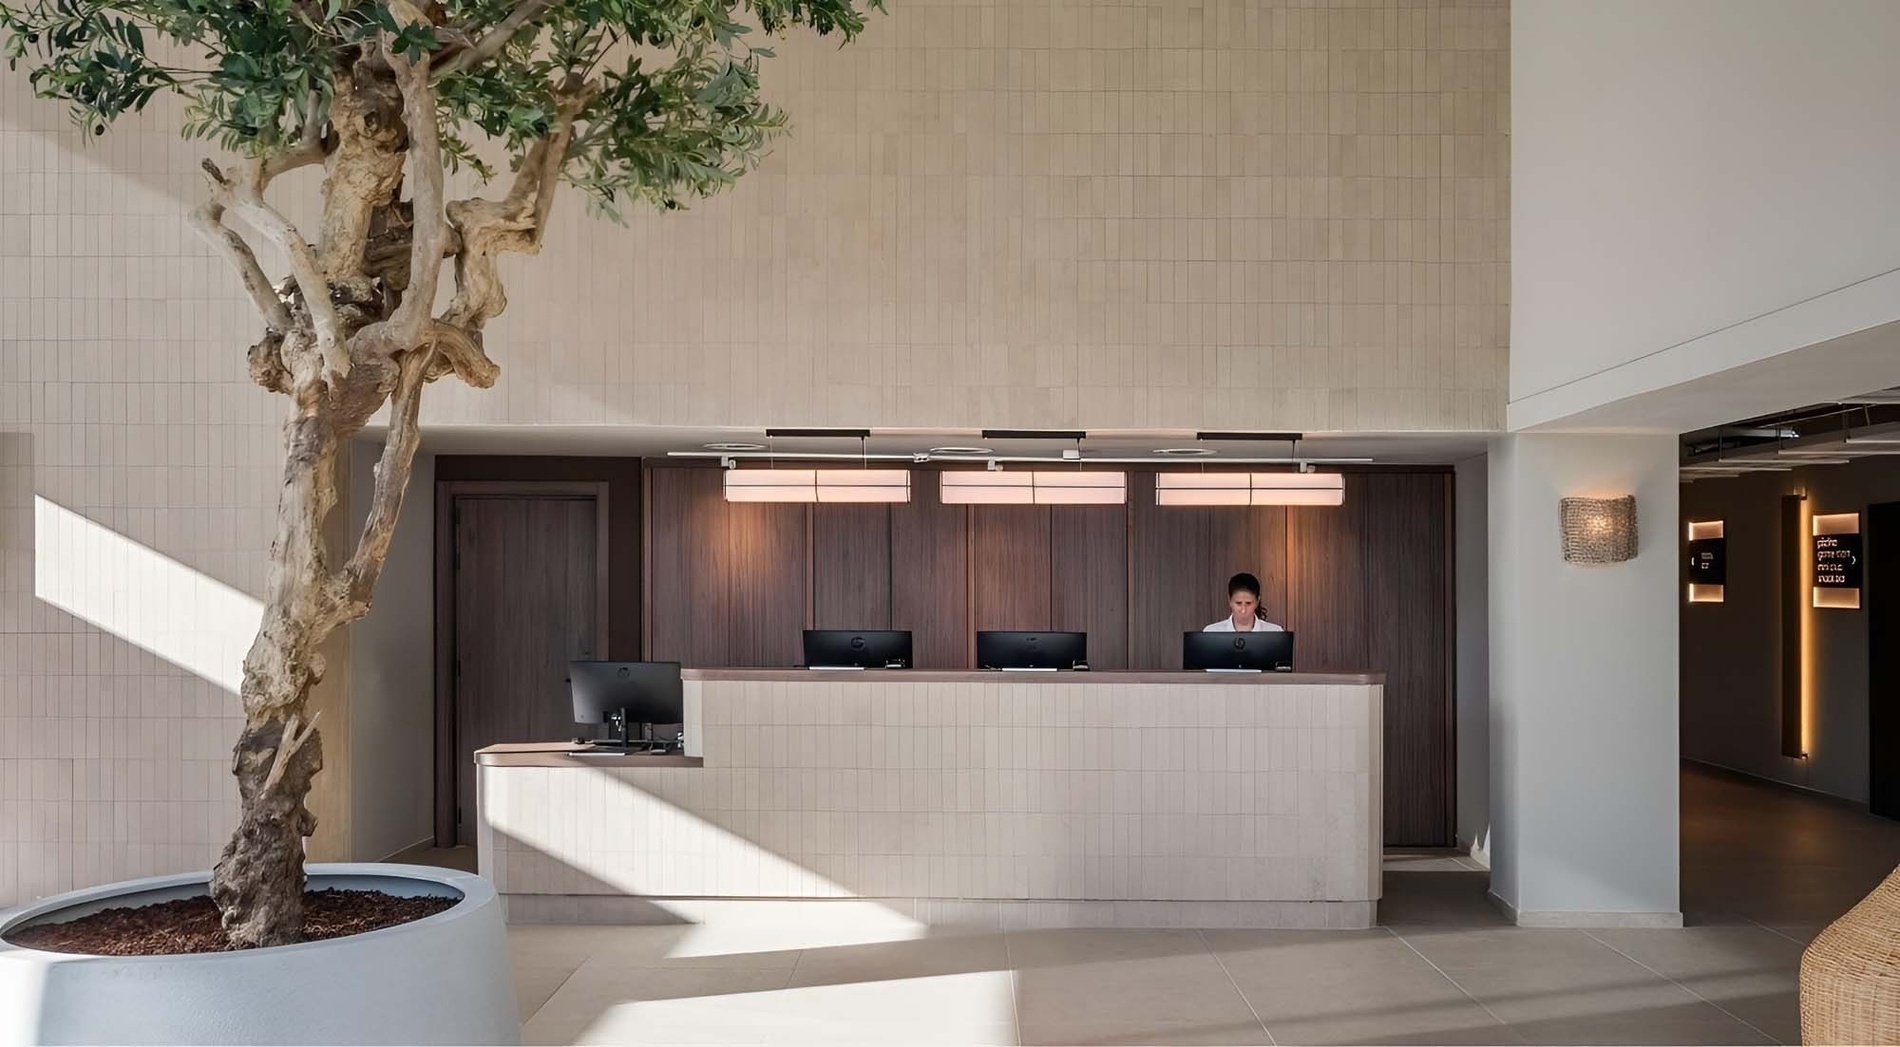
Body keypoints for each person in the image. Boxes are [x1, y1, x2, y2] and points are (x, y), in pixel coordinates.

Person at [1204, 572, 1284, 632]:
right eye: (1238, 603)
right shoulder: (1211, 631)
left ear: (1257, 601)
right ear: (1230, 600)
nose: (1243, 610)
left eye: (1248, 603)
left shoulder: (1275, 632)